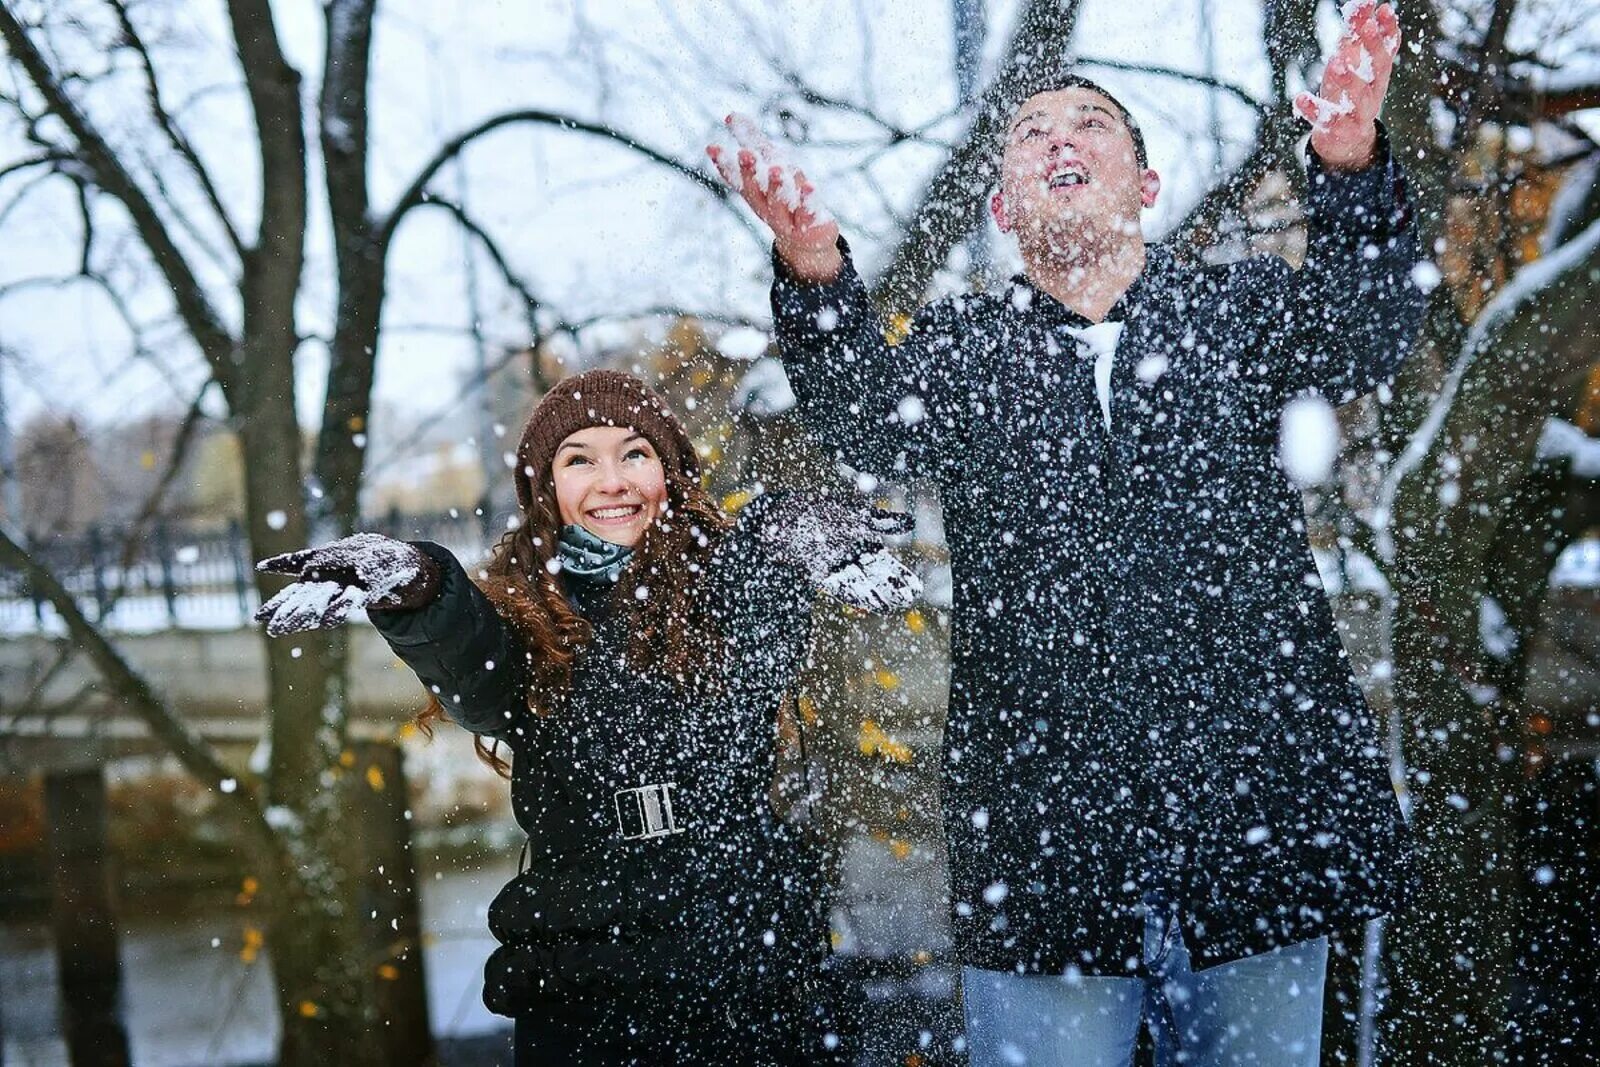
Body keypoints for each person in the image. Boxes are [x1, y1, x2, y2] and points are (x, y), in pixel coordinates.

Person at [709, 2, 1423, 1063]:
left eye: (1088, 123)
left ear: (1144, 184)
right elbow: (862, 415)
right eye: (1031, 130)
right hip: (1047, 844)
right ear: (1002, 205)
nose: (1057, 137)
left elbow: (1368, 328)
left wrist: (1350, 163)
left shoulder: (1239, 311)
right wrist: (815, 269)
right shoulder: (960, 350)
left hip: (1253, 815)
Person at [253, 369, 918, 1064]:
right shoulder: (522, 617)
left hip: (748, 951)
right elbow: (476, 680)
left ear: (670, 472)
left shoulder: (724, 580)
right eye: (580, 459)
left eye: (635, 453)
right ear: (546, 489)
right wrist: (421, 583)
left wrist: (773, 534)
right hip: (585, 965)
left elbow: (756, 662)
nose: (613, 480)